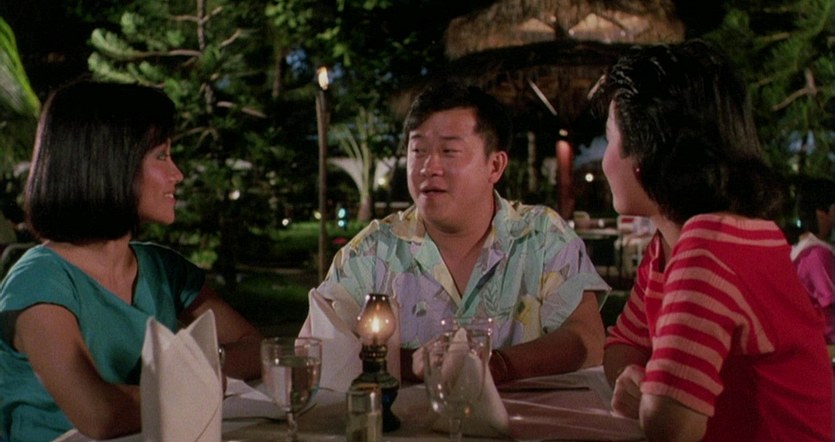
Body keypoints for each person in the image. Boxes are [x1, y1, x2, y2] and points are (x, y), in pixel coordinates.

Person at [591, 40, 831, 441]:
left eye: (610, 138)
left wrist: (651, 397)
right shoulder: (670, 246)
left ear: (646, 152)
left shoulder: (710, 249)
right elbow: (622, 344)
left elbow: (672, 427)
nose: (604, 161)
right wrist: (635, 381)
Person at [0, 81, 263, 441]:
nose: (177, 174)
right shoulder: (38, 282)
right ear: (109, 164)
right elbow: (100, 414)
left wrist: (193, 371)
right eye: (161, 156)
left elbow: (255, 348)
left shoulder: (164, 269)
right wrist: (196, 384)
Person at [303, 80, 609, 388]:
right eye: (418, 151)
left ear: (495, 166)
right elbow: (317, 350)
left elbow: (587, 338)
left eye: (449, 151)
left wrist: (498, 365)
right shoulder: (372, 251)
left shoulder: (542, 237)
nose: (429, 167)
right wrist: (417, 364)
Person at [791, 177, 834, 344]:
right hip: (823, 343)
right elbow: (829, 305)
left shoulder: (800, 250)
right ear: (821, 213)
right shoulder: (817, 254)